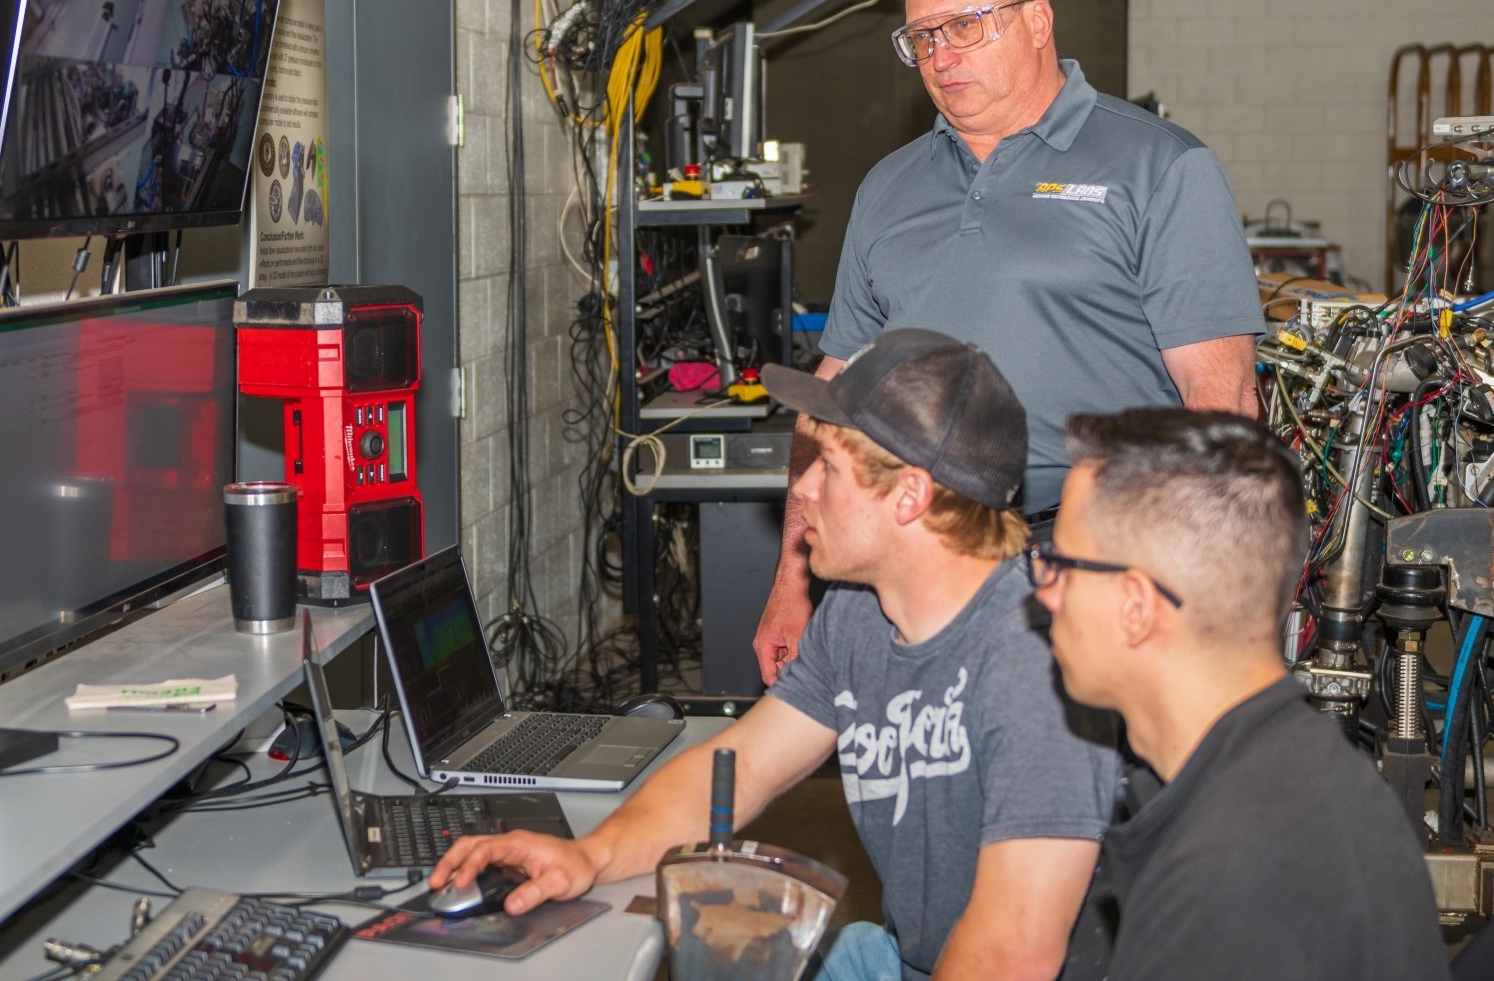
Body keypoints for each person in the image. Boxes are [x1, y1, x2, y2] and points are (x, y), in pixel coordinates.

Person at [433, 329, 1120, 981]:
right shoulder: (857, 611)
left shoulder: (1039, 660)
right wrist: (587, 855)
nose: (802, 488)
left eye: (831, 466)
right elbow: (743, 766)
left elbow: (1012, 953)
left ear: (910, 494)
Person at [755, 0, 1268, 684]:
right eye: (922, 37)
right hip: (913, 558)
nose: (941, 54)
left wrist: (1168, 588)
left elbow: (1220, 401)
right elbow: (828, 409)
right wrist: (793, 584)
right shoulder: (888, 188)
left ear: (1038, 20)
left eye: (965, 25)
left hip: (1090, 558)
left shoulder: (1161, 166)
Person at [1031, 409, 1450, 980]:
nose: (1044, 594)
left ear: (1135, 606)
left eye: (1058, 564)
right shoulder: (1274, 772)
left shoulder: (1235, 880)